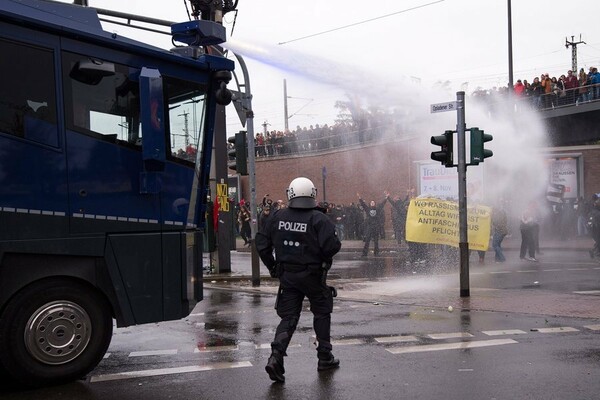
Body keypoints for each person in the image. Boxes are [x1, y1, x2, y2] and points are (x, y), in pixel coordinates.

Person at [255, 177, 342, 383]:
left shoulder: (277, 217)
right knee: (322, 312)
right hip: (313, 276)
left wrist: (273, 267)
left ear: (290, 194)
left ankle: (276, 357)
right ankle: (324, 357)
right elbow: (332, 246)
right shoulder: (319, 219)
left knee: (289, 318)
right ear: (313, 194)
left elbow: (261, 243)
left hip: (288, 276)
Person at [357, 192, 387, 257]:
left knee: (376, 241)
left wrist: (386, 198)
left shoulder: (377, 209)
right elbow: (363, 205)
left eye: (373, 202)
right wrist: (360, 198)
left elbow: (382, 204)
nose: (372, 203)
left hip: (376, 227)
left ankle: (376, 253)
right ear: (370, 204)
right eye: (371, 203)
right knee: (367, 240)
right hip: (370, 227)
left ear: (375, 204)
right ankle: (364, 253)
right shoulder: (368, 209)